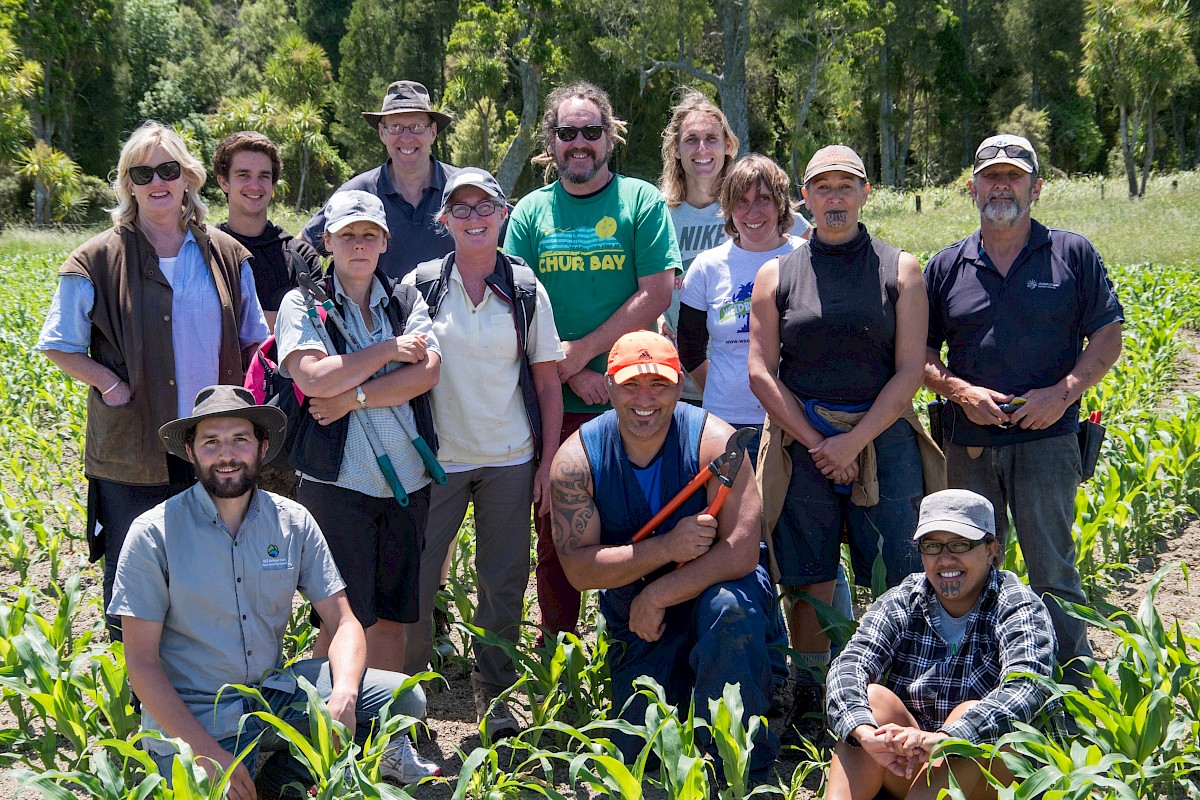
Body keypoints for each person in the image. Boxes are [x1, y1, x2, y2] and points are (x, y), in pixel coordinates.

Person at [110, 386, 436, 797]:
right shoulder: (153, 534)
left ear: (262, 448)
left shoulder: (292, 522)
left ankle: (281, 776)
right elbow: (141, 665)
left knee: (404, 699)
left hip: (268, 696)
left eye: (239, 439)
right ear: (191, 452)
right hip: (194, 715)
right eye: (211, 441)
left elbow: (344, 621)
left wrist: (344, 697)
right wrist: (208, 753)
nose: (226, 454)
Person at [36, 121, 269, 641]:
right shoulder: (95, 258)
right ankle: (140, 703)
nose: (157, 182)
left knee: (213, 568)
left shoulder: (227, 254)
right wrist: (110, 384)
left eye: (168, 169)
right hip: (135, 446)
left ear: (187, 177)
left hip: (214, 442)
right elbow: (58, 343)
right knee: (135, 574)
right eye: (143, 173)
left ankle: (207, 688)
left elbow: (255, 338)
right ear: (128, 184)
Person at [748, 144, 943, 739]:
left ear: (864, 194)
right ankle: (811, 691)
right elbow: (761, 371)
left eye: (846, 186)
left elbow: (910, 370)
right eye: (822, 188)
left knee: (897, 571)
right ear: (804, 199)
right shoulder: (777, 273)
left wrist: (855, 440)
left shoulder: (899, 269)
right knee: (808, 575)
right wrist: (819, 444)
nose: (834, 198)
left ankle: (894, 689)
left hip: (884, 440)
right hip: (803, 443)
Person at [923, 134, 1123, 687]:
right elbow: (919, 355)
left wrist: (1062, 393)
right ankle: (985, 683)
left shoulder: (1072, 254)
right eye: (991, 176)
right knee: (966, 569)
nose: (1001, 185)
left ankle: (1074, 685)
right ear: (972, 189)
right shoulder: (946, 267)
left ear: (1036, 187)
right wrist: (963, 394)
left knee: (1053, 570)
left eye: (1014, 176)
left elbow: (1107, 337)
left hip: (1048, 442)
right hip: (969, 445)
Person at [549, 331, 781, 779]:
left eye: (658, 384)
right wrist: (667, 548)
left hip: (711, 594)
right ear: (610, 386)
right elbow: (579, 570)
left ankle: (742, 762)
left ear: (679, 385)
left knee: (730, 608)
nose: (645, 399)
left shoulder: (716, 443)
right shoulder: (576, 461)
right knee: (643, 749)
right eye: (631, 384)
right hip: (638, 617)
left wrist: (658, 593)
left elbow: (740, 552)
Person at [504, 80, 678, 638]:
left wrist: (587, 354)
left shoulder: (641, 201)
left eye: (591, 131)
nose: (579, 142)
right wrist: (573, 369)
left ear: (610, 137)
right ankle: (561, 651)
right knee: (558, 530)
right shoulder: (531, 213)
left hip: (634, 399)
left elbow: (655, 293)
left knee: (638, 523)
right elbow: (517, 304)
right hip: (555, 403)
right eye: (567, 132)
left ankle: (638, 642)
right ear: (550, 142)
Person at [400, 168, 564, 737]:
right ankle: (407, 701)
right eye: (460, 209)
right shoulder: (417, 287)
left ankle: (494, 700)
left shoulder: (524, 289)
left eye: (484, 208)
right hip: (436, 460)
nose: (473, 218)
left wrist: (545, 463)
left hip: (509, 458)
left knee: (503, 580)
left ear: (504, 215)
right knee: (416, 578)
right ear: (443, 220)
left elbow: (546, 383)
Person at [275, 190, 440, 694]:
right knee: (340, 616)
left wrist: (355, 397)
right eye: (347, 235)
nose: (359, 245)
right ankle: (320, 724)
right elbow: (314, 378)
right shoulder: (302, 302)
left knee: (392, 616)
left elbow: (428, 372)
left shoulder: (406, 300)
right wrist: (389, 350)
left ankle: (386, 732)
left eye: (369, 234)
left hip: (406, 481)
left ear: (385, 241)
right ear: (327, 241)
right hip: (336, 482)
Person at [824, 489, 1057, 800]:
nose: (945, 559)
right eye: (932, 546)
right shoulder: (904, 599)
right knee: (871, 700)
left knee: (969, 714)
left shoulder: (1016, 605)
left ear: (991, 549)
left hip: (992, 775)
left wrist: (947, 738)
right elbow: (850, 664)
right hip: (912, 764)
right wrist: (866, 733)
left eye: (960, 544)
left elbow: (1026, 687)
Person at [678, 154, 805, 466]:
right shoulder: (707, 267)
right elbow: (690, 350)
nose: (753, 212)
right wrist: (724, 390)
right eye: (741, 201)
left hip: (798, 421)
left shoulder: (807, 258)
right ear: (728, 209)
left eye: (764, 199)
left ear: (781, 205)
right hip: (726, 423)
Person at [302, 81, 460, 280]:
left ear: (433, 131)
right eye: (395, 127)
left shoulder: (461, 188)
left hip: (451, 311)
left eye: (417, 126)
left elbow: (509, 231)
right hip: (376, 310)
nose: (406, 137)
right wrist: (319, 299)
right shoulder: (357, 193)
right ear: (382, 132)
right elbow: (301, 253)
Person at [212, 131, 322, 332]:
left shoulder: (300, 257)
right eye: (243, 175)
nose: (254, 185)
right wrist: (283, 317)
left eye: (264, 176)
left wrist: (230, 319)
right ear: (224, 182)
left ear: (273, 183)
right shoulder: (206, 249)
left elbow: (315, 323)